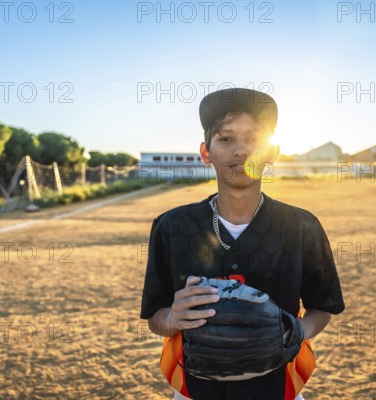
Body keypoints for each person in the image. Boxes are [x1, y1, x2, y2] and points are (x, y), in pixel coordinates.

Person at [140, 88, 345, 400]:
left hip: (278, 388)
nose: (241, 151)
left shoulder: (302, 226)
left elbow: (323, 306)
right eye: (226, 139)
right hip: (196, 390)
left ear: (272, 153)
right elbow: (156, 316)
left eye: (253, 139)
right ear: (205, 152)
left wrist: (296, 331)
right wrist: (172, 318)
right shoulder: (172, 226)